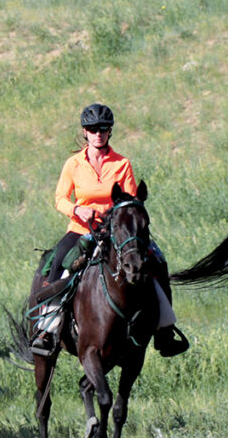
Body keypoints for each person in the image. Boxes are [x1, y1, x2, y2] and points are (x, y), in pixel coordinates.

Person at [29, 103, 189, 357]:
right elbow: (60, 198)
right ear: (85, 132)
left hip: (116, 232)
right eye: (93, 129)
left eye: (103, 128)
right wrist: (76, 210)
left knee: (157, 261)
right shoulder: (73, 164)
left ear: (110, 131)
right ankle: (47, 329)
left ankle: (164, 330)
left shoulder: (121, 163)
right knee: (57, 263)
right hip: (81, 229)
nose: (98, 133)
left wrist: (115, 216)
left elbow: (130, 199)